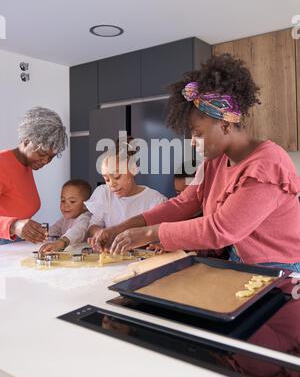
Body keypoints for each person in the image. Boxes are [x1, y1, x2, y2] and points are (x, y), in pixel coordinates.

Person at [90, 54, 300, 272]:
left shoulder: (267, 165)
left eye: (197, 133)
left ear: (225, 125)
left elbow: (220, 229)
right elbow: (181, 204)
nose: (192, 143)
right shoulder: (214, 163)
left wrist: (149, 233)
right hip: (239, 262)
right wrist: (120, 228)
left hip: (280, 268)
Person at [0, 107, 67, 245]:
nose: (45, 161)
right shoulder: (2, 164)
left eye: (51, 157)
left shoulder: (25, 165)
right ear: (26, 140)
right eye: (41, 154)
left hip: (12, 246)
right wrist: (13, 226)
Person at [87, 138, 167, 251]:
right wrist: (98, 233)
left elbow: (160, 234)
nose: (112, 184)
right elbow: (92, 226)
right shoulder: (104, 193)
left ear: (133, 169)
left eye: (117, 177)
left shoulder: (155, 200)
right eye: (106, 179)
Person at [39, 179, 92, 256]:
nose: (66, 205)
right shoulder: (64, 219)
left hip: (84, 257)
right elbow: (55, 229)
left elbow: (77, 231)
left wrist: (61, 242)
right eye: (63, 200)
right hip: (69, 255)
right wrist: (41, 233)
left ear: (85, 205)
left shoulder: (86, 218)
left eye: (72, 201)